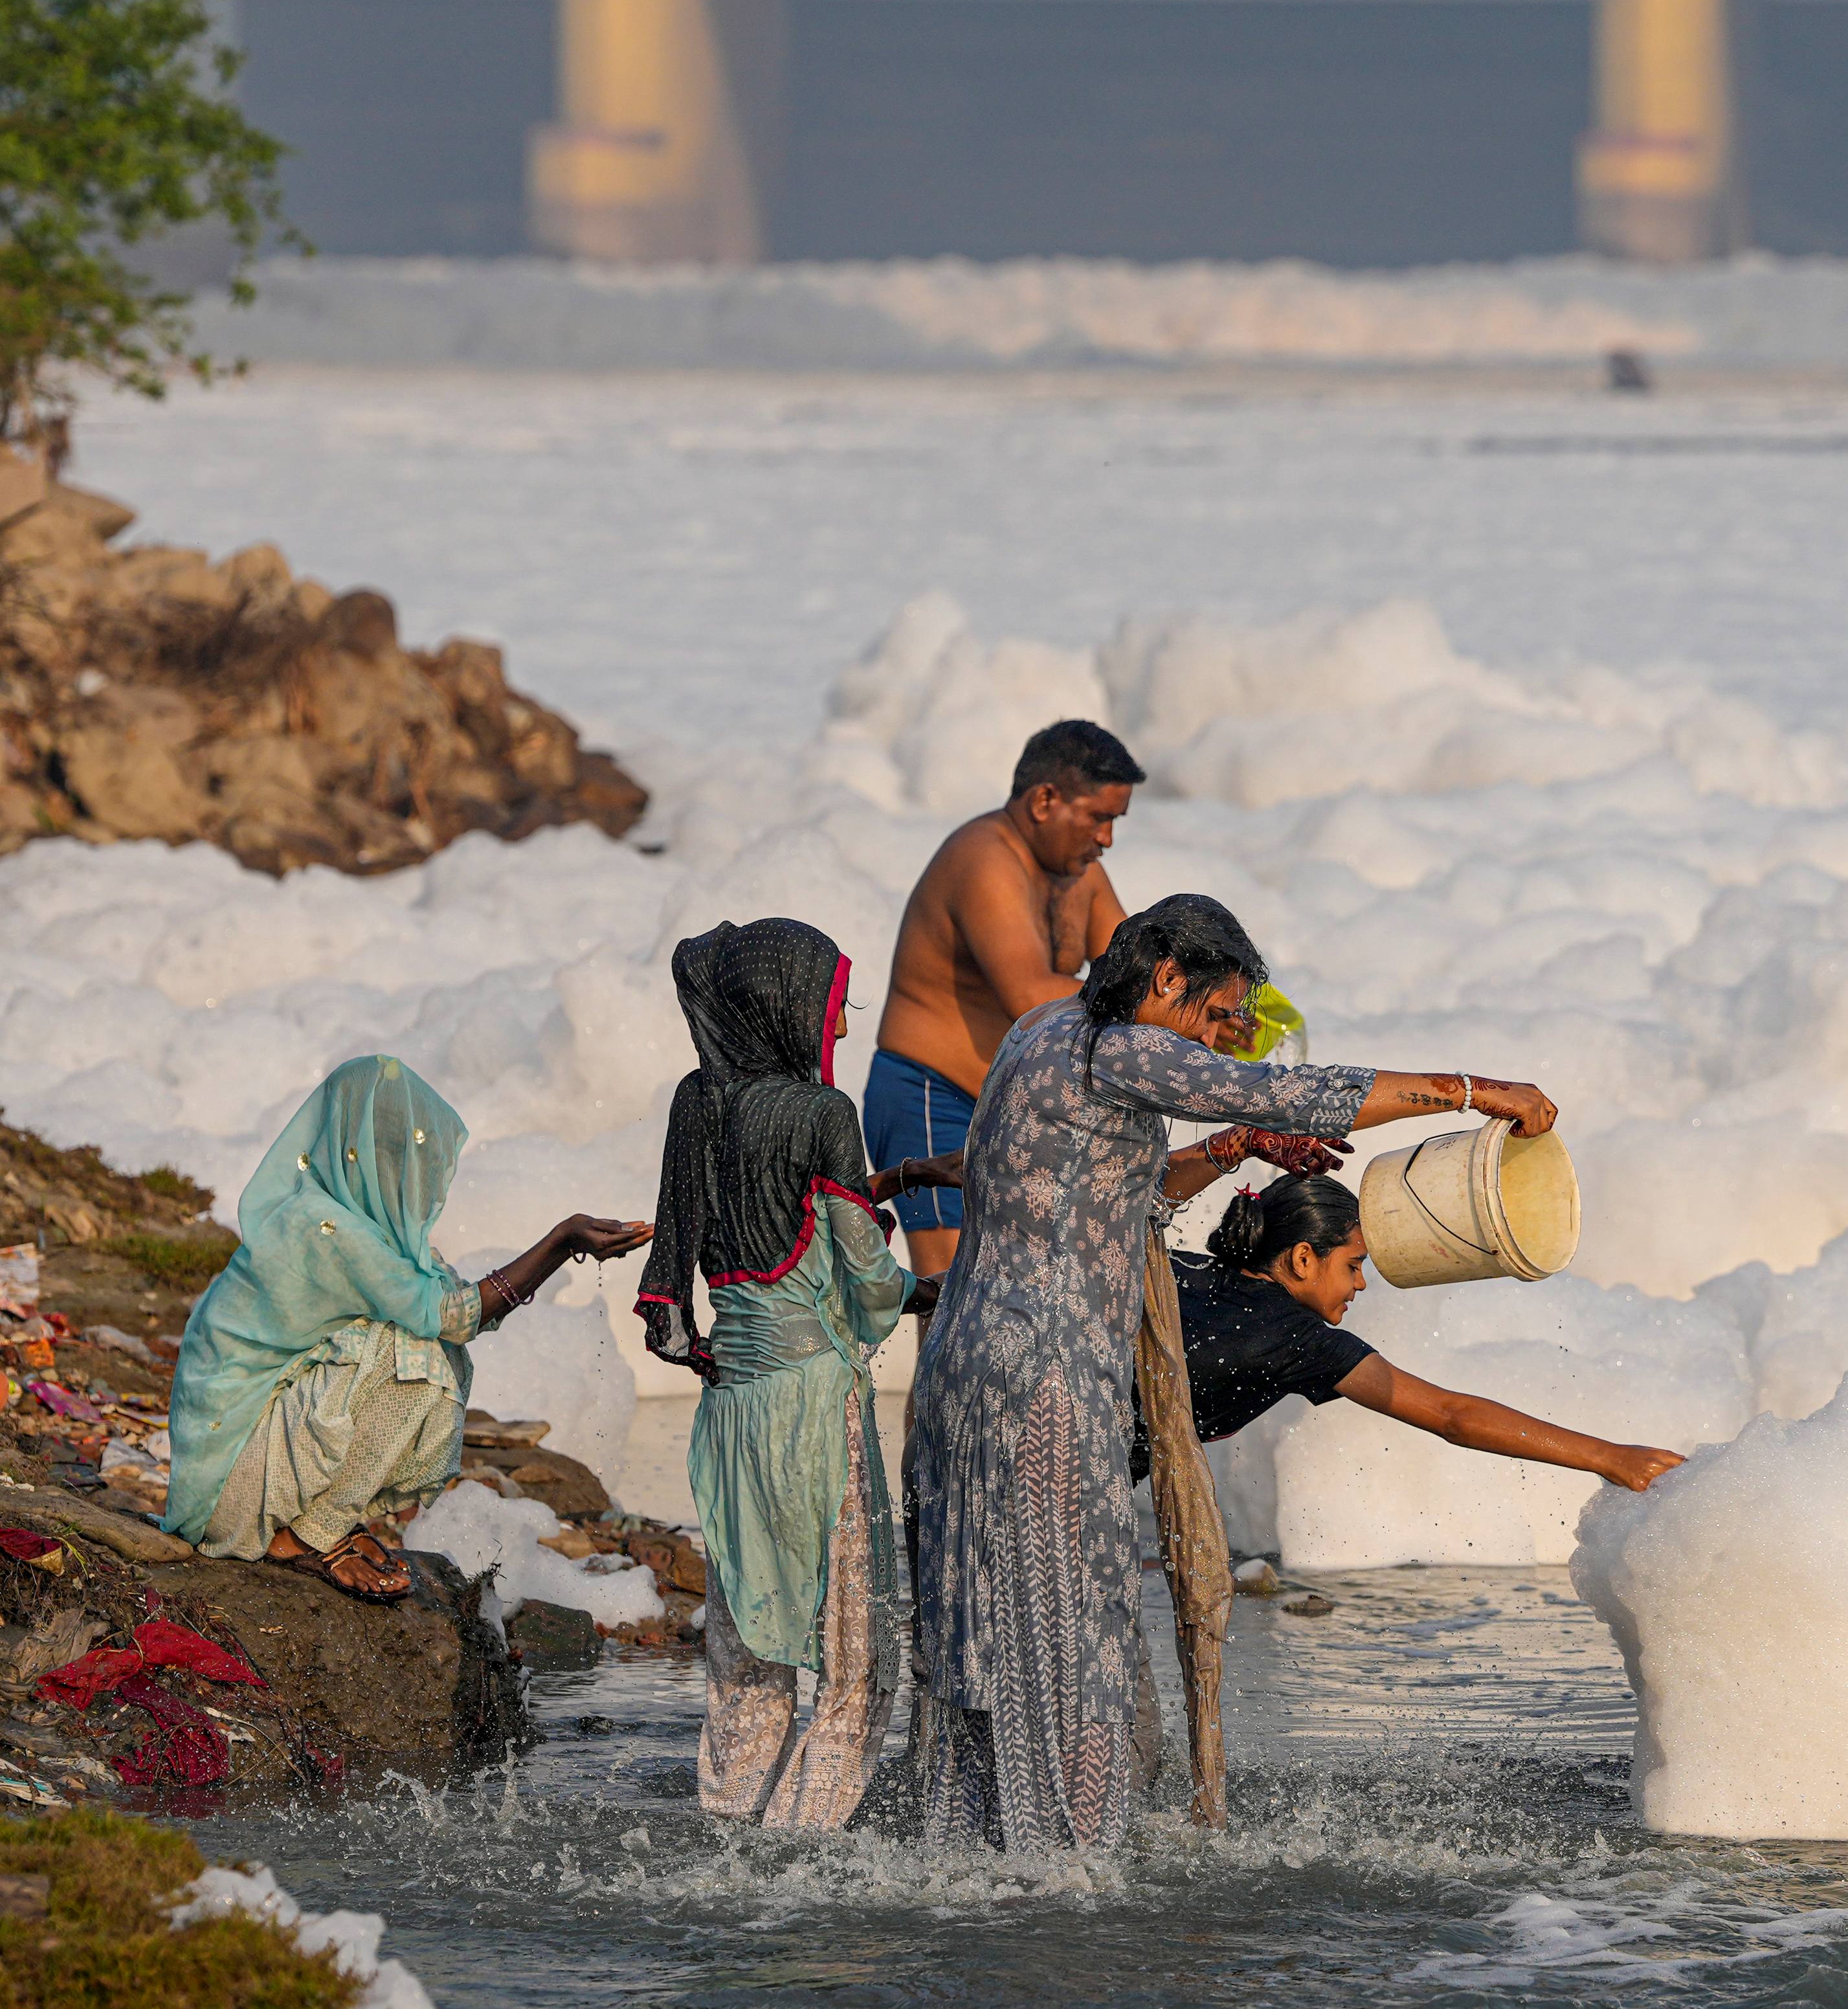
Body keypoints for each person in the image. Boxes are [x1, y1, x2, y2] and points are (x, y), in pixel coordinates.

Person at [907, 892, 1565, 1854]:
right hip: (1044, 1381)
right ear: (1167, 979)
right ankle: (1070, 1878)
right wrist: (1475, 1091)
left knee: (979, 1634)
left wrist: (1230, 1149)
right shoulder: (1117, 1043)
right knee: (1073, 1638)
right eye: (1218, 1020)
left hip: (963, 1367)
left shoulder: (1038, 1032)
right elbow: (1289, 1093)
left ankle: (964, 1857)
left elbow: (1116, 1196)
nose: (1220, 1048)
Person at [636, 918, 962, 1831]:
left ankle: (730, 1831)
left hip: (732, 1417)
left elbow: (666, 1308)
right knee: (854, 1658)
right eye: (834, 1006)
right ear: (785, 1007)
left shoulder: (695, 1102)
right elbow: (865, 1282)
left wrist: (730, 1358)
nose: (844, 1028)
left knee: (748, 1645)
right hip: (817, 1415)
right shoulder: (825, 1115)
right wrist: (930, 1292)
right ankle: (805, 1852)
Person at [166, 1056, 651, 1602]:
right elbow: (457, 1317)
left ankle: (318, 1522)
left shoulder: (365, 1231)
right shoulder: (324, 1227)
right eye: (392, 1153)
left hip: (260, 1450)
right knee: (416, 1351)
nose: (406, 1172)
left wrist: (559, 1250)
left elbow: (462, 1308)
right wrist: (561, 1241)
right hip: (231, 1485)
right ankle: (304, 1535)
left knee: (424, 1342)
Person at [1135, 1174, 1684, 1496]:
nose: (1361, 1284)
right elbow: (1451, 1416)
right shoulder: (1300, 1338)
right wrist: (1608, 1457)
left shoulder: (1172, 1268)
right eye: (1353, 1264)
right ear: (1304, 1258)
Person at [865, 720, 1143, 1289]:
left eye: (1115, 821)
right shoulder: (984, 856)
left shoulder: (1082, 875)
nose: (1108, 839)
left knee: (1022, 1293)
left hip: (1010, 1105)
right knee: (952, 1295)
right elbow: (1029, 996)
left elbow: (1136, 973)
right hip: (929, 1093)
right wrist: (1157, 1010)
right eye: (1099, 818)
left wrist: (1211, 1012)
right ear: (1045, 800)